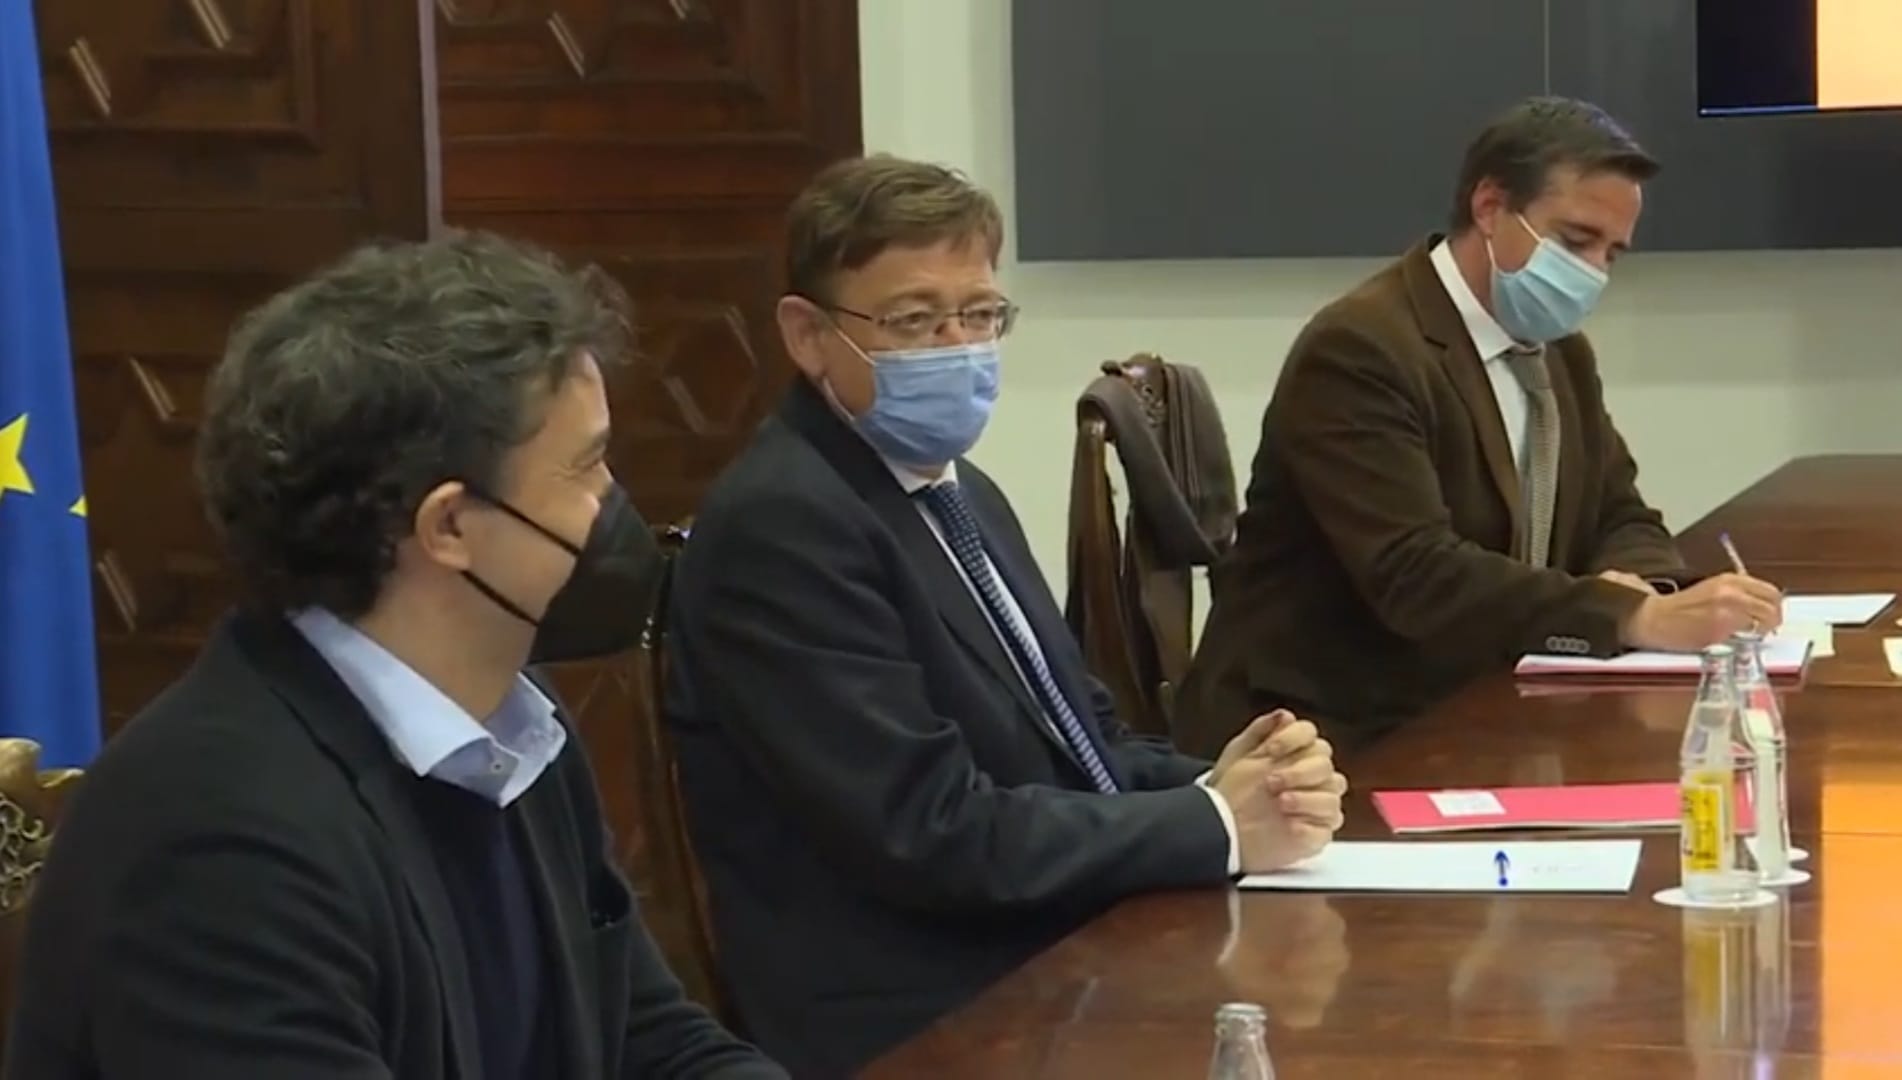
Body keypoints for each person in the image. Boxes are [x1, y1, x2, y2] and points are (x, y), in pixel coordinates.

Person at [4, 231, 786, 1079]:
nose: (612, 501)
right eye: (587, 464)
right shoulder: (217, 841)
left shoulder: (515, 733)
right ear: (449, 526)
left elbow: (648, 1040)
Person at [662, 154, 1348, 1076]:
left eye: (980, 315)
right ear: (808, 334)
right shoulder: (784, 525)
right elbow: (929, 832)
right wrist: (1214, 823)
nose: (958, 347)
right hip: (917, 1010)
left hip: (1047, 949)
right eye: (914, 320)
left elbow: (1085, 742)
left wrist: (1243, 784)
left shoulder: (959, 491)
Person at [1174, 96, 1784, 758]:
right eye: (1575, 241)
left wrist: (1650, 591)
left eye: (1612, 254)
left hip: (1480, 699)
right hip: (1327, 734)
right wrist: (1632, 618)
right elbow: (1414, 574)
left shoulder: (1559, 352)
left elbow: (1619, 513)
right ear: (1490, 207)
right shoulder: (1361, 348)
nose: (1592, 273)